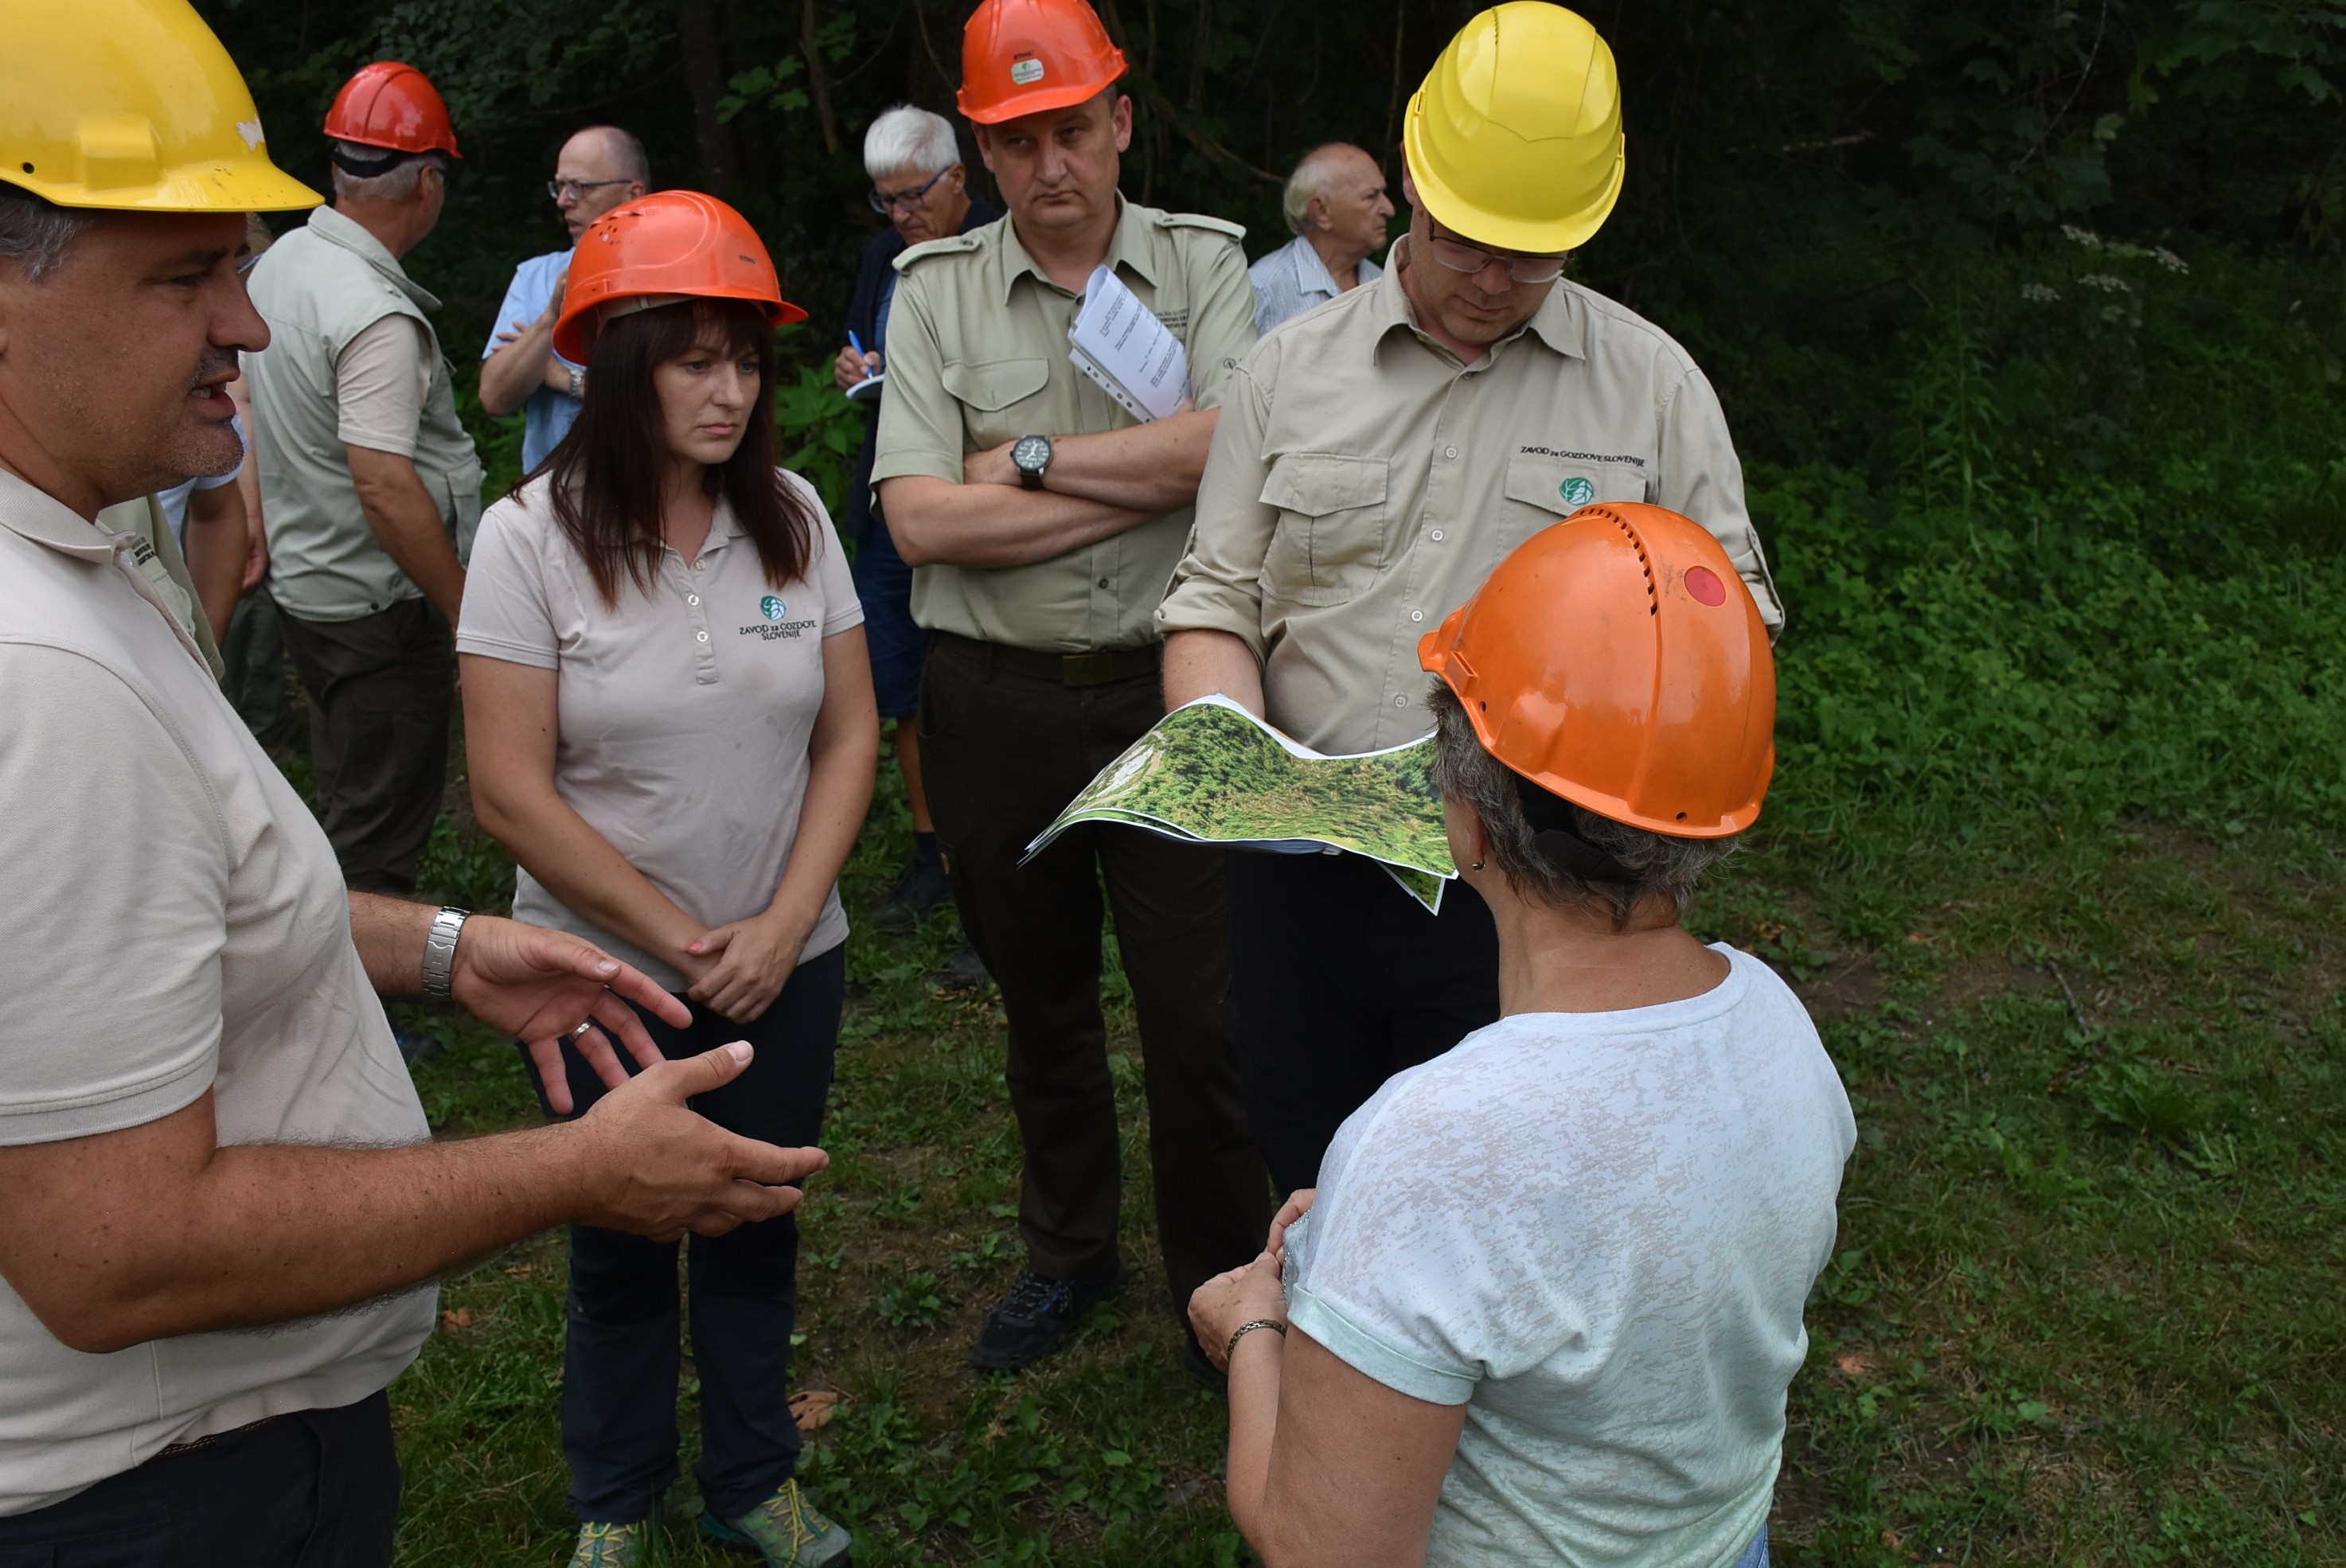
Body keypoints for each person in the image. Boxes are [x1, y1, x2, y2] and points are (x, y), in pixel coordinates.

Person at [0, 7, 826, 1563]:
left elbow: (180, 897)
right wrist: (574, 1170)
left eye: (240, 266)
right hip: (164, 1484)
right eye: (186, 274)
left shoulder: (91, 556)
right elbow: (115, 1251)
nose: (248, 327)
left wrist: (440, 950)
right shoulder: (36, 669)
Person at [1158, 0, 1786, 1195]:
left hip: (1532, 889)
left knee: (1497, 1193)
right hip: (1297, 869)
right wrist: (1227, 750)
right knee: (1307, 1170)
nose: (1495, 280)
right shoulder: (1286, 369)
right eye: (1463, 242)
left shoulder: (1651, 387)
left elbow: (1726, 630)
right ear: (1411, 178)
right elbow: (1212, 601)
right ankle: (1308, 1367)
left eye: (1533, 252)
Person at [1188, 504, 1856, 1568]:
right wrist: (1394, 1257)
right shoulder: (1782, 1027)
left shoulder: (1425, 1145)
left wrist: (1253, 1330)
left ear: (1463, 813)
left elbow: (1319, 1550)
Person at [459, 191, 876, 1568]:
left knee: (759, 1218)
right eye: (695, 359)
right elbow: (508, 786)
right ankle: (616, 1503)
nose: (731, 390)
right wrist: (686, 939)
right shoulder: (527, 540)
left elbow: (852, 730)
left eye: (747, 360)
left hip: (785, 962)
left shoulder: (796, 516)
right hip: (601, 974)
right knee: (620, 1243)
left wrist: (782, 920)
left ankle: (754, 1480)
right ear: (619, 362)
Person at [873, 0, 1272, 1379]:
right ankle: (1069, 1254)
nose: (1052, 163)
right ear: (986, 154)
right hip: (994, 706)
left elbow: (1232, 453)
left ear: (1119, 121)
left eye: (1072, 128)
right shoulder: (932, 294)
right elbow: (919, 523)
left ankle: (1224, 1290)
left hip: (1174, 691)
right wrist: (1140, 474)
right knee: (1040, 1004)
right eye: (1019, 138)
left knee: (1202, 1017)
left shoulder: (1205, 267)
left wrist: (1025, 461)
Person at [243, 60, 484, 926]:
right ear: (428, 180)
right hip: (377, 607)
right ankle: (364, 997)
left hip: (313, 588)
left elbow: (245, 404)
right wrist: (463, 608)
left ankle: (336, 948)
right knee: (378, 809)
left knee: (350, 774)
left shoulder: (280, 265)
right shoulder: (371, 312)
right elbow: (383, 480)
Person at [834, 104, 997, 976]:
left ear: (958, 180)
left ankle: (991, 882)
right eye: (885, 200)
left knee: (978, 689)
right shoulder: (879, 256)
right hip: (887, 504)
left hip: (972, 505)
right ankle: (932, 854)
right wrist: (854, 368)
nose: (899, 215)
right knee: (899, 688)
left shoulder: (1001, 250)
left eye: (913, 195)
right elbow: (863, 346)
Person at [478, 126, 653, 470]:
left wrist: (561, 377)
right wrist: (548, 321)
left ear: (633, 194)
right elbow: (495, 397)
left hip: (651, 495)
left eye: (581, 187)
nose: (563, 200)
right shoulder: (534, 277)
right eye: (560, 186)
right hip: (550, 504)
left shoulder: (672, 274)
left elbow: (667, 401)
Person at [1247, 143, 1395, 335]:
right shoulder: (1263, 289)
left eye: (1383, 193)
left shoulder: (1385, 285)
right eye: (1370, 197)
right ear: (1321, 211)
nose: (1389, 209)